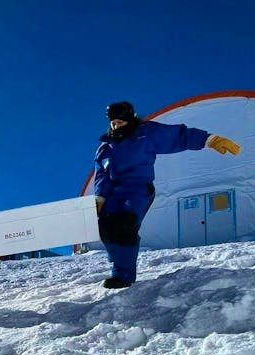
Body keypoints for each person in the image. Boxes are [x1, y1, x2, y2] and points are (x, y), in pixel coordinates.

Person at [93, 101, 241, 289]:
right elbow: (101, 176)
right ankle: (120, 258)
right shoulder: (105, 148)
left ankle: (123, 276)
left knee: (124, 225)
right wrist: (100, 198)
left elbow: (177, 136)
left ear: (130, 120)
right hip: (114, 193)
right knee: (105, 227)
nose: (116, 127)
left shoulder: (144, 133)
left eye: (121, 123)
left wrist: (209, 140)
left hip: (137, 188)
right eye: (113, 123)